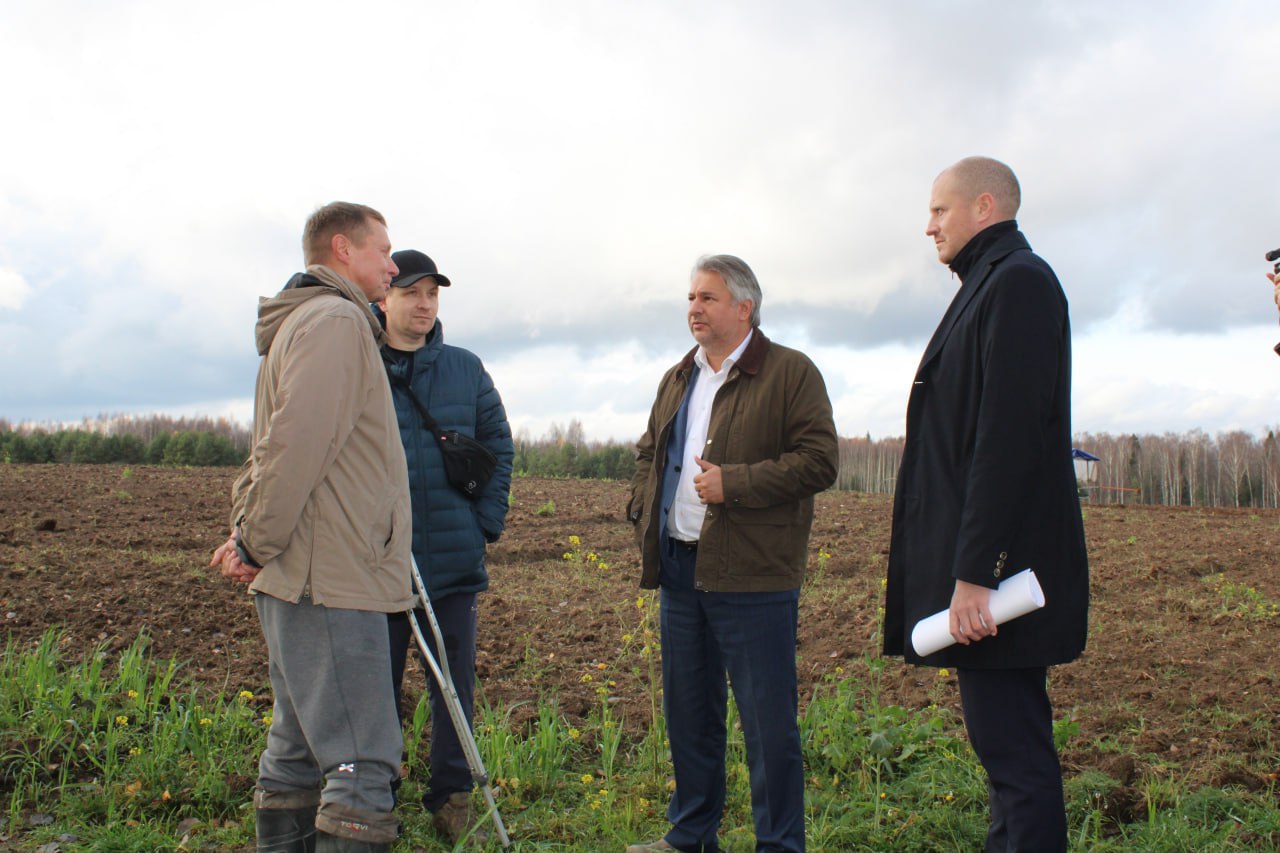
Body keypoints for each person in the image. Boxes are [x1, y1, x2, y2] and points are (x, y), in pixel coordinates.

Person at [882, 157, 1090, 852]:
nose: (929, 225)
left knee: (1016, 759)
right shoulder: (992, 282)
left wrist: (977, 571)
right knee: (1006, 757)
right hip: (990, 572)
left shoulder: (1020, 284)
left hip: (1002, 578)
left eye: (940, 210)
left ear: (985, 205)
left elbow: (1008, 439)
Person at [210, 202, 413, 853]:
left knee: (298, 748)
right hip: (331, 579)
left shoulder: (308, 323)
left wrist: (252, 537)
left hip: (306, 574)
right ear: (341, 250)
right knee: (361, 761)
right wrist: (253, 539)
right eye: (383, 250)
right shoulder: (333, 322)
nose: (393, 265)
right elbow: (295, 446)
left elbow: (269, 447)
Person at [627, 254, 839, 853]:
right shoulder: (679, 376)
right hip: (679, 571)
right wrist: (646, 511)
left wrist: (736, 483)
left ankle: (779, 844)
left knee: (768, 725)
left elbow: (820, 461)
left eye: (708, 298)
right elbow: (649, 452)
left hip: (753, 578)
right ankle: (691, 835)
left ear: (744, 308)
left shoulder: (791, 373)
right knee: (690, 715)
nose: (694, 308)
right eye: (691, 298)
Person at [377, 249, 514, 845]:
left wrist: (482, 522)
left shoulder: (465, 368)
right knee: (374, 688)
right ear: (384, 298)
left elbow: (500, 448)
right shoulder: (358, 364)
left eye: (432, 293)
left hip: (452, 565)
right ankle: (374, 799)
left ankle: (452, 798)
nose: (425, 303)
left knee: (453, 688)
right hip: (373, 565)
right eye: (411, 292)